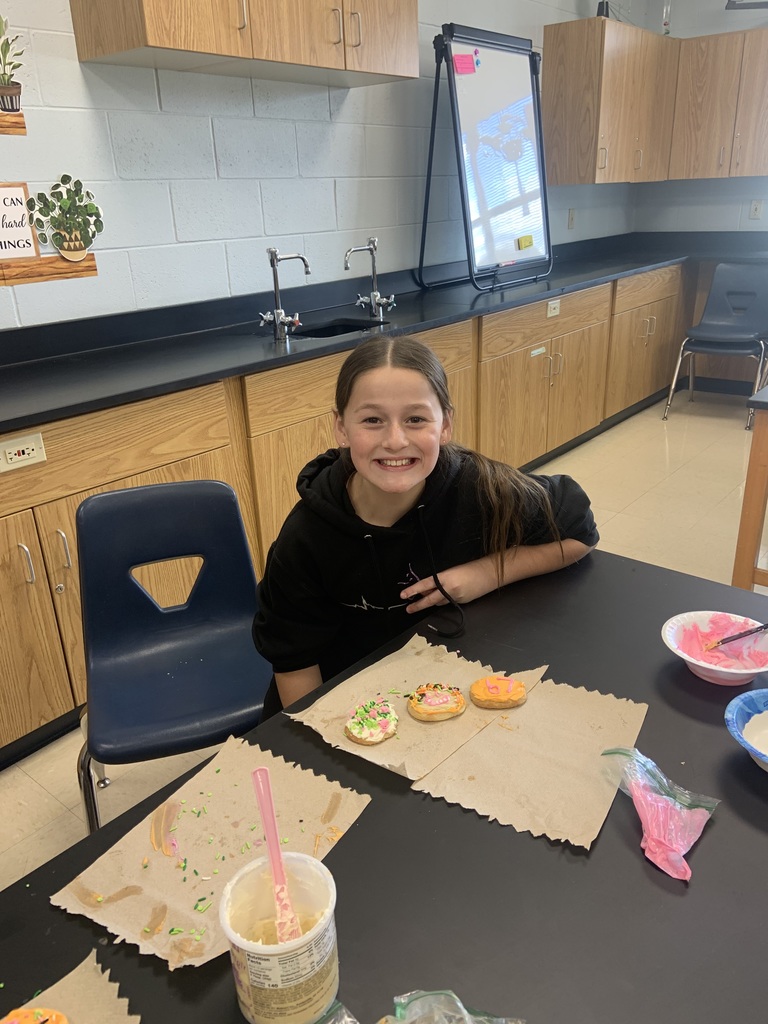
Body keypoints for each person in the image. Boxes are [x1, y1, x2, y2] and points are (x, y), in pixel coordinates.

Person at [253, 334, 598, 718]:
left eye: (416, 419)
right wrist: (323, 736)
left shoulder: (480, 488)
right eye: (372, 420)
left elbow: (578, 531)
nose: (396, 440)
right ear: (341, 428)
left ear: (445, 424)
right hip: (340, 705)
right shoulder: (305, 537)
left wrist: (487, 572)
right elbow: (294, 664)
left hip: (439, 690)